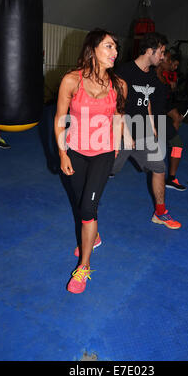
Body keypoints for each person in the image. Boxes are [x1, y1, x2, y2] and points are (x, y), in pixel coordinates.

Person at [54, 28, 127, 294]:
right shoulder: (71, 81)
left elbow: (118, 117)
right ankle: (93, 236)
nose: (115, 53)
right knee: (79, 201)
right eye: (109, 47)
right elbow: (60, 118)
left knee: (88, 209)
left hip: (103, 153)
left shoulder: (119, 85)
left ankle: (83, 267)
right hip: (74, 151)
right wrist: (62, 153)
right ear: (93, 49)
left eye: (116, 48)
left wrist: (116, 146)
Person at [111, 32, 182, 229]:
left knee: (159, 168)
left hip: (143, 133)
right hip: (122, 132)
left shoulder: (152, 75)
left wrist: (153, 130)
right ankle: (88, 211)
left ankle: (160, 213)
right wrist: (125, 134)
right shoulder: (124, 71)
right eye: (161, 52)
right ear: (150, 51)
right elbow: (115, 106)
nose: (162, 56)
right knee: (105, 171)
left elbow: (148, 103)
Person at [153, 52, 186, 191]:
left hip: (161, 116)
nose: (171, 64)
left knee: (176, 144)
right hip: (152, 117)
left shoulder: (163, 77)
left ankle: (171, 178)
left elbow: (164, 101)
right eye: (169, 60)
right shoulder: (151, 76)